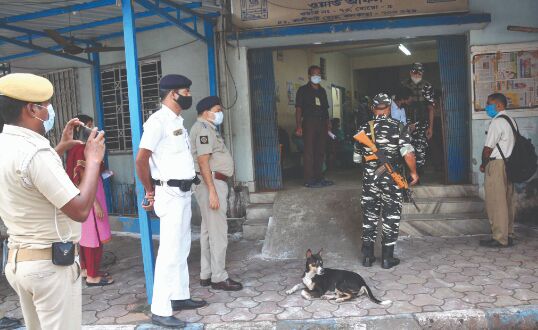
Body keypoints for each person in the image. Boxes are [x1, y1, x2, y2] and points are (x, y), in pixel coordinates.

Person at [0, 73, 105, 329]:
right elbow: (79, 209)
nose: (50, 111)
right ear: (32, 109)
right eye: (46, 105)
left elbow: (27, 177)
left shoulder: (7, 144)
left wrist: (60, 148)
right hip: (49, 267)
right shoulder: (36, 153)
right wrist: (92, 161)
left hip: (19, 262)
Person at [135, 74, 206, 328]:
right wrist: (149, 191)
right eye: (185, 91)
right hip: (169, 193)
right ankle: (160, 308)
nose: (188, 96)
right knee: (168, 251)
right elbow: (141, 160)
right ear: (173, 94)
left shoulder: (178, 120)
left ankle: (179, 296)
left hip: (184, 193)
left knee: (182, 246)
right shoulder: (158, 121)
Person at [355, 93, 418, 269]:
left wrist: (370, 161)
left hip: (370, 180)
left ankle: (367, 257)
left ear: (372, 108)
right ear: (389, 108)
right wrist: (413, 173)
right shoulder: (398, 127)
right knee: (390, 216)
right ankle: (387, 258)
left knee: (369, 216)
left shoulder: (363, 129)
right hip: (391, 179)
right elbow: (409, 154)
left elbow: (355, 158)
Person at [190, 96, 243, 292]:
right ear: (206, 112)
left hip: (211, 183)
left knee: (207, 231)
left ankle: (207, 274)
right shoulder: (203, 130)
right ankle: (219, 277)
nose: (220, 113)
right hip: (211, 184)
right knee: (218, 233)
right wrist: (212, 191)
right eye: (217, 109)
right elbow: (203, 161)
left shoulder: (208, 129)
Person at [65, 114, 114, 286]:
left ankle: (87, 270)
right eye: (91, 126)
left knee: (86, 236)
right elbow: (81, 177)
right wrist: (95, 203)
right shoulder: (82, 149)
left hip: (85, 194)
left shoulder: (75, 148)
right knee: (93, 237)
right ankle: (93, 276)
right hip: (89, 195)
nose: (94, 129)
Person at [479, 93, 516, 248]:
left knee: (496, 201)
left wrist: (483, 164)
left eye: (489, 104)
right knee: (508, 201)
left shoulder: (497, 122)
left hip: (497, 165)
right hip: (510, 164)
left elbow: (488, 149)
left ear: (499, 105)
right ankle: (508, 234)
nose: (487, 107)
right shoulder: (511, 120)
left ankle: (499, 238)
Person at [295, 65, 333, 188]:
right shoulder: (303, 90)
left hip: (322, 122)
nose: (317, 76)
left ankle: (319, 177)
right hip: (309, 122)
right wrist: (299, 126)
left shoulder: (322, 91)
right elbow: (298, 109)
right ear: (309, 76)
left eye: (318, 74)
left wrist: (328, 124)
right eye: (314, 74)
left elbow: (326, 110)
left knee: (320, 151)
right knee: (309, 151)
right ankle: (309, 179)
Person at [401, 63, 435, 171]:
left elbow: (431, 108)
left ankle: (417, 174)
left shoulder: (427, 86)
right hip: (405, 123)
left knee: (420, 151)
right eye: (415, 71)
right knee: (406, 149)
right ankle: (409, 174)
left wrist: (430, 127)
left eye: (420, 72)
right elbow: (398, 105)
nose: (417, 74)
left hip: (422, 122)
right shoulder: (403, 85)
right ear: (410, 72)